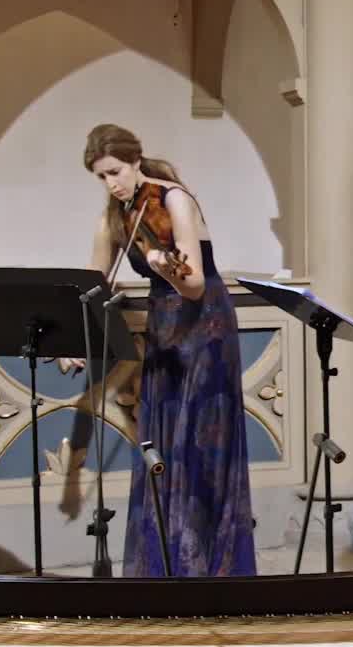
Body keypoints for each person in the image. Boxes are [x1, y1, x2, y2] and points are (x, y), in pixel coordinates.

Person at [67, 124, 255, 577]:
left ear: (134, 161)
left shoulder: (173, 200)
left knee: (200, 442)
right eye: (101, 177)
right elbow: (94, 283)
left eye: (115, 171)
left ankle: (210, 566)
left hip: (205, 327)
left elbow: (192, 285)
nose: (112, 183)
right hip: (165, 329)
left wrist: (160, 263)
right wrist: (75, 340)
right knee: (164, 443)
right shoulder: (116, 217)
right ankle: (170, 563)